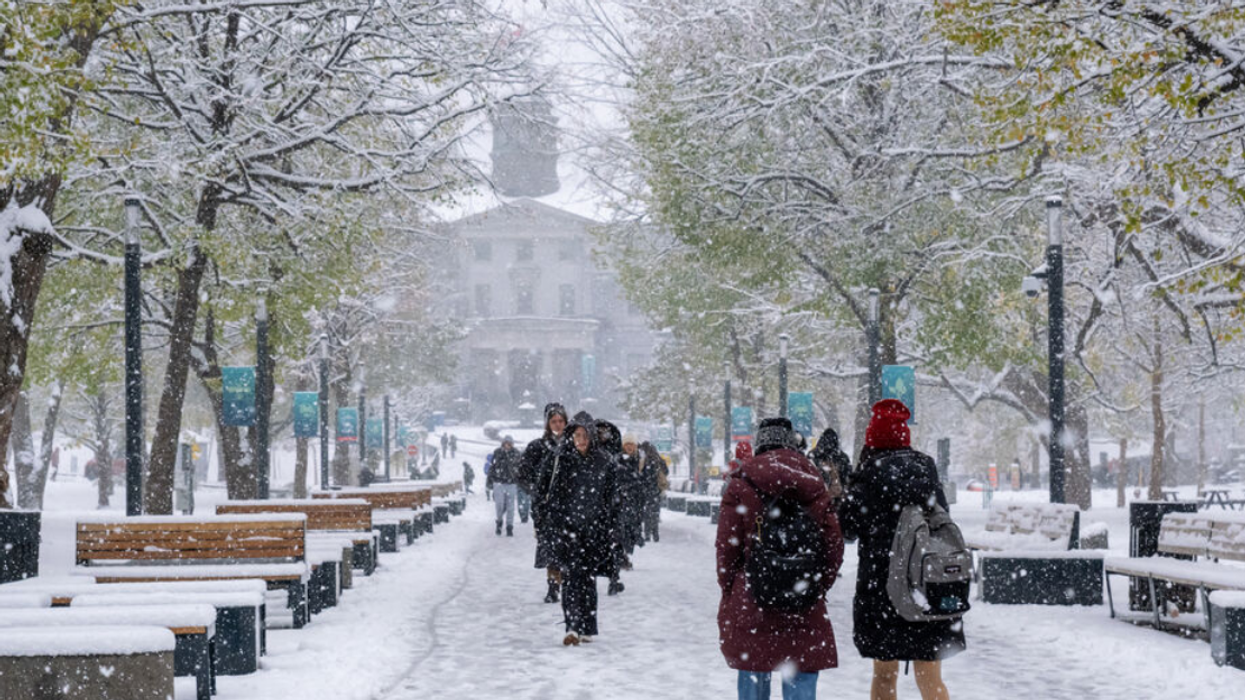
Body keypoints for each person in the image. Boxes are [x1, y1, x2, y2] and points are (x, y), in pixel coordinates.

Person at [841, 400, 962, 700]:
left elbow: (848, 529)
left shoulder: (868, 475)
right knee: (929, 674)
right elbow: (942, 518)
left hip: (881, 589)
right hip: (925, 583)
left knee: (884, 674)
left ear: (872, 439)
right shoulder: (926, 468)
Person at [716, 417, 844, 700]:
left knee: (754, 665)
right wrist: (816, 584)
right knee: (801, 664)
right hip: (804, 597)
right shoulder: (814, 484)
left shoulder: (741, 484)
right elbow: (833, 545)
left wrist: (731, 587)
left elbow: (727, 548)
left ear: (760, 444)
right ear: (791, 444)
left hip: (752, 596)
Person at [542, 411, 619, 646]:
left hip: (594, 531)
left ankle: (587, 626)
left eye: (585, 435)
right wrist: (553, 525)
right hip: (569, 530)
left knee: (588, 579)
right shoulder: (562, 460)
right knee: (571, 578)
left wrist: (611, 528)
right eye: (577, 435)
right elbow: (552, 495)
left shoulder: (605, 462)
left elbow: (612, 499)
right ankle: (572, 626)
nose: (581, 440)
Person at [522, 402, 569, 603]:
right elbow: (523, 473)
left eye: (561, 421)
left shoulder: (574, 445)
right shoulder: (538, 447)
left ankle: (568, 584)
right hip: (547, 508)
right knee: (551, 550)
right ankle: (552, 586)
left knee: (569, 548)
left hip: (569, 507)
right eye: (554, 421)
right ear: (547, 424)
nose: (558, 425)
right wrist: (537, 491)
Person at [594, 419, 627, 595]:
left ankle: (614, 577)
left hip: (613, 504)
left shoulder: (615, 454)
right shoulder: (591, 453)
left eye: (605, 432)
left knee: (614, 541)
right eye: (599, 432)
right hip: (595, 505)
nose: (602, 435)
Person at [617, 434, 649, 559]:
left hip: (636, 500)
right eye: (627, 444)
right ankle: (623, 555)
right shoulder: (617, 460)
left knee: (633, 527)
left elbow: (646, 479)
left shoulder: (640, 461)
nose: (629, 446)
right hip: (621, 500)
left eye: (631, 444)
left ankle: (628, 552)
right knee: (622, 528)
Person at [490, 436, 522, 537]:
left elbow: (520, 467)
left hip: (511, 483)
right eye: (506, 443)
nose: (507, 445)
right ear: (503, 443)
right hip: (499, 482)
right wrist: (490, 482)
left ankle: (509, 527)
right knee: (499, 505)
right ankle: (499, 522)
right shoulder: (497, 452)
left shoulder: (516, 453)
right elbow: (492, 467)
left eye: (509, 443)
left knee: (510, 507)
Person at [809, 428, 851, 499]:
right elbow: (847, 479)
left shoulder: (813, 455)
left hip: (816, 497)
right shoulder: (842, 457)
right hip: (837, 497)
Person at [638, 440, 667, 542]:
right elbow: (666, 472)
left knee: (647, 513)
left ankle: (647, 535)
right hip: (656, 491)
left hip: (647, 491)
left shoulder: (645, 461)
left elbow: (641, 476)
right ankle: (655, 534)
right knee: (655, 513)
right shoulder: (658, 460)